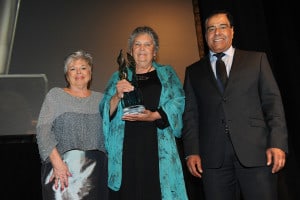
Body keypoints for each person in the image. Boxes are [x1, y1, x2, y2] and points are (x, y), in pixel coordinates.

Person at [182, 10, 288, 200]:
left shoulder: (257, 60)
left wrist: (277, 143)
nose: (217, 33)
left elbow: (273, 104)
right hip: (213, 159)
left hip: (257, 152)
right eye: (211, 29)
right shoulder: (193, 71)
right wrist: (191, 152)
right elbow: (190, 115)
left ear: (232, 31)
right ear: (205, 34)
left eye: (222, 27)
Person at [100, 26, 188, 200]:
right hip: (126, 150)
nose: (141, 49)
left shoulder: (167, 74)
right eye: (137, 44)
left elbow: (179, 101)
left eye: (147, 45)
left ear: (154, 51)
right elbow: (104, 111)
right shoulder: (118, 77)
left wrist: (154, 115)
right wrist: (117, 96)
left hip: (157, 146)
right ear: (131, 51)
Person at [36, 50, 108, 199]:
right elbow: (43, 130)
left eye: (83, 67)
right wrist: (57, 164)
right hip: (63, 170)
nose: (78, 72)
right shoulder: (56, 96)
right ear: (67, 74)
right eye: (73, 69)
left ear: (90, 72)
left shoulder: (102, 100)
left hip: (96, 171)